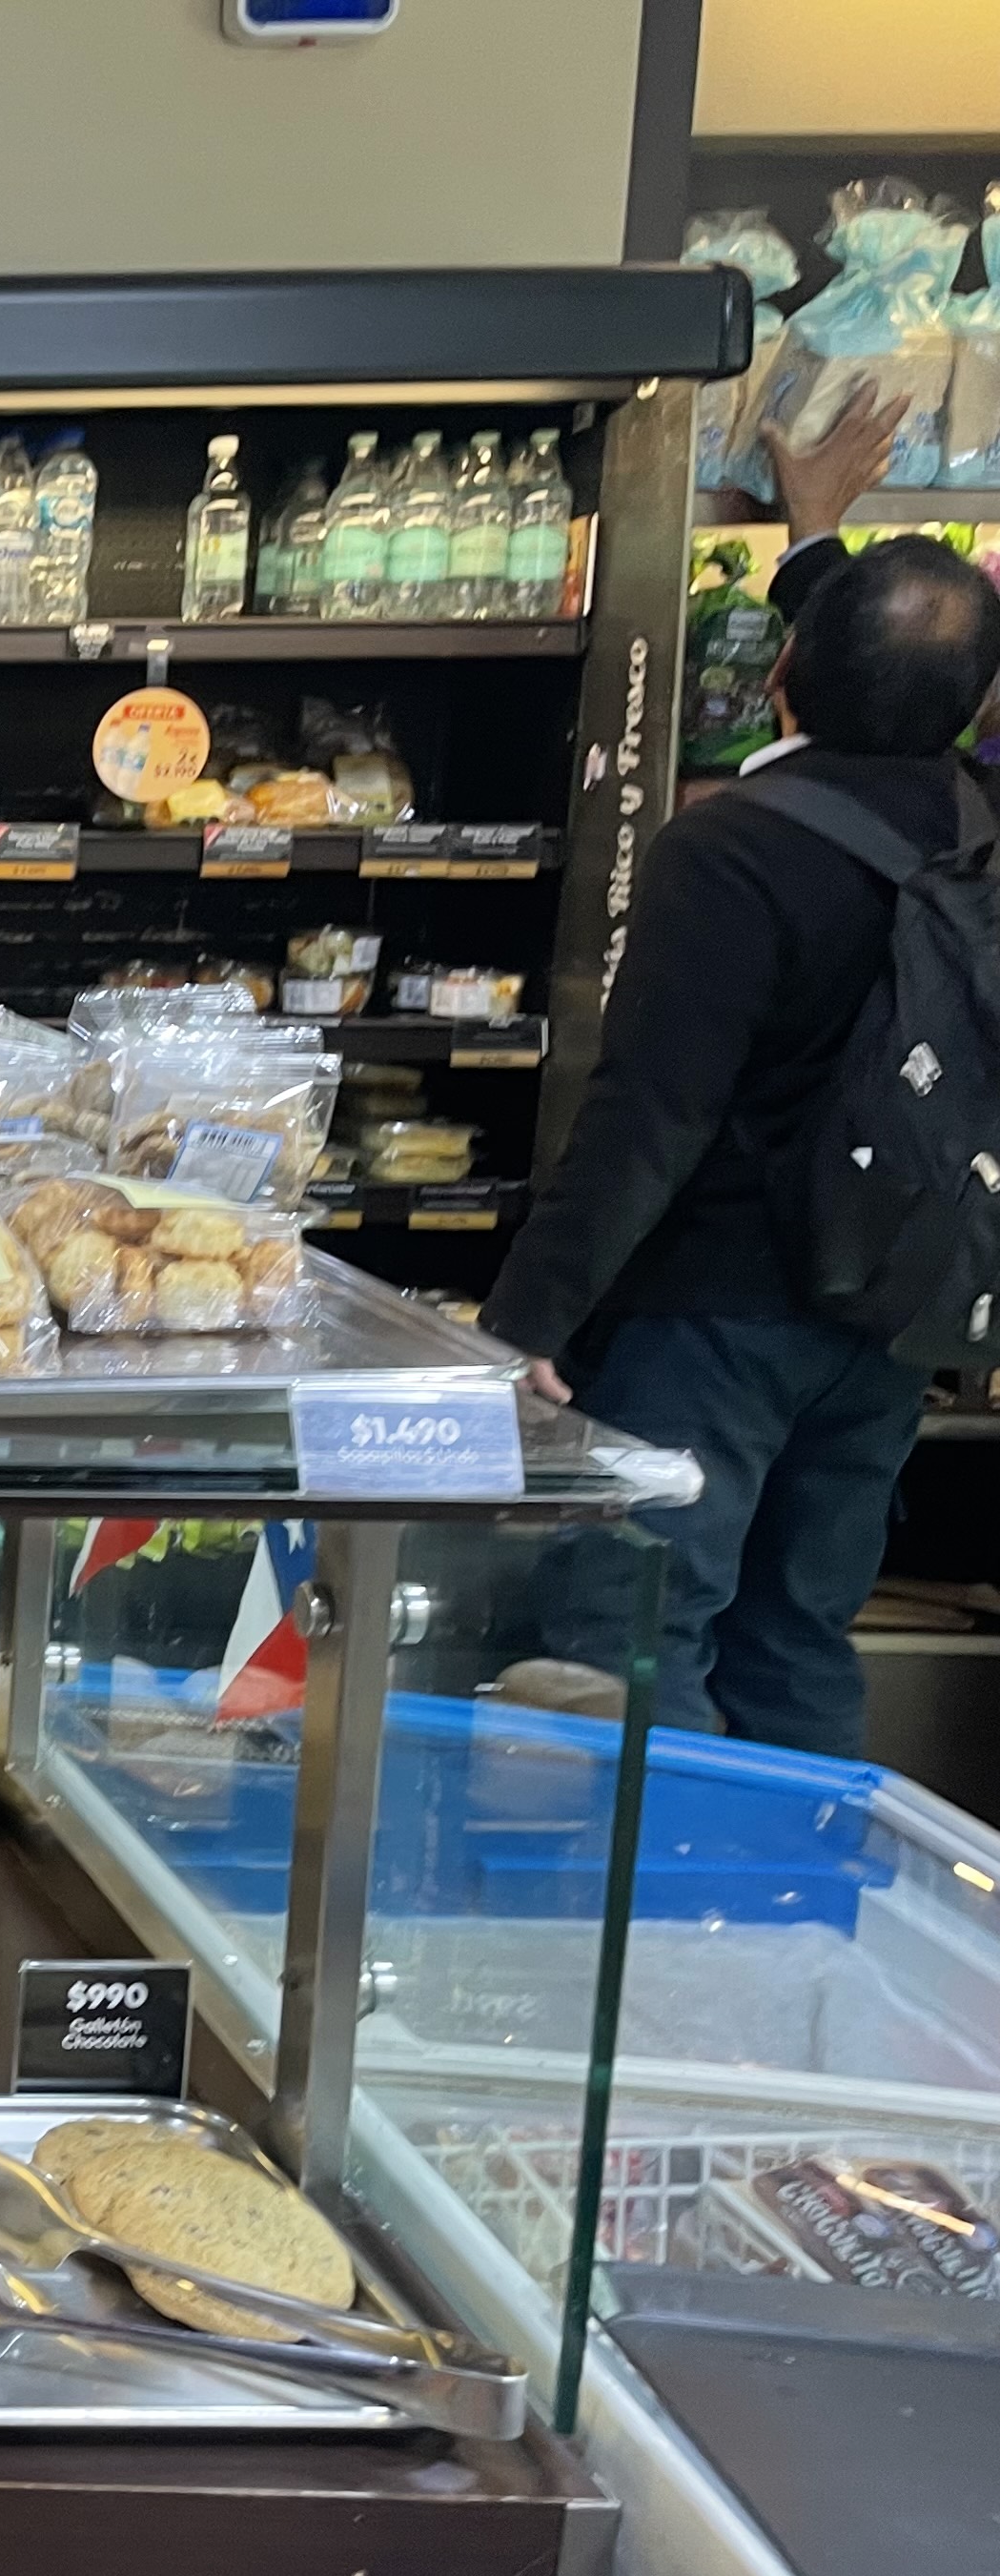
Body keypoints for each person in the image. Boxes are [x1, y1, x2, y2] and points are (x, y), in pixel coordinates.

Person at [486, 391, 1000, 1755]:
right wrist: (814, 537)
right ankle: (797, 1922)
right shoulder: (973, 823)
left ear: (780, 673)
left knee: (632, 1638)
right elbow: (885, 685)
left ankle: (647, 1947)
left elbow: (654, 1111)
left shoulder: (738, 847)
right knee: (797, 1634)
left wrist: (527, 1320)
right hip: (887, 1310)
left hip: (709, 1315)